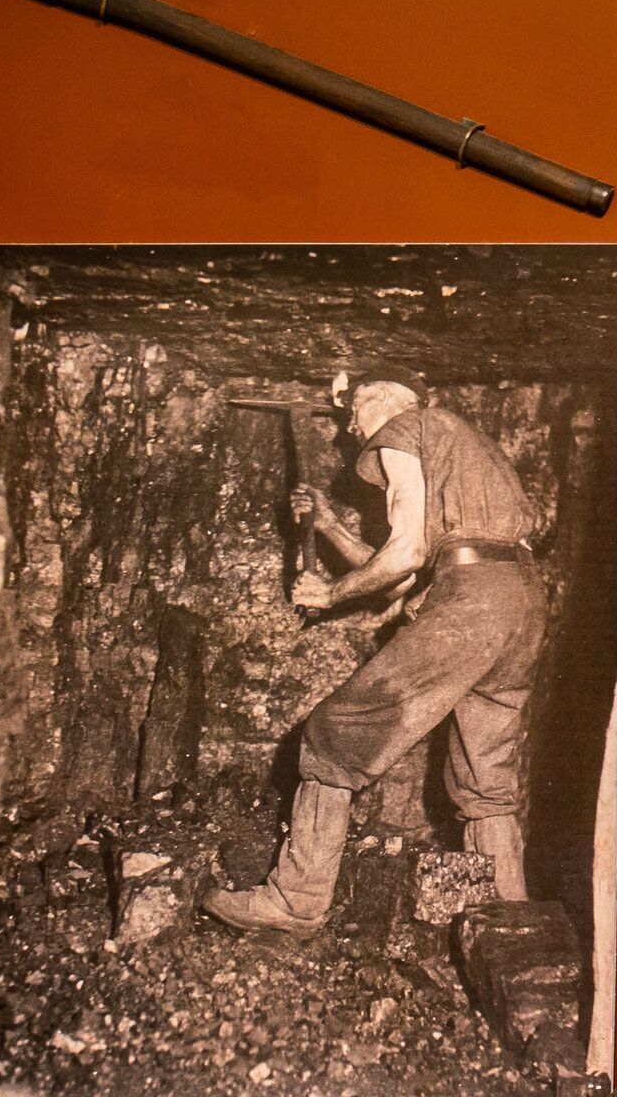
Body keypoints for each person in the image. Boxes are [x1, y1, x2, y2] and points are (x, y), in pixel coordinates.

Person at [205, 374, 552, 931]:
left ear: (385, 398)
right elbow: (406, 577)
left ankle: (294, 901)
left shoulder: (404, 426)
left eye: (354, 408)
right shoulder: (469, 447)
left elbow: (406, 552)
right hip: (519, 598)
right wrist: (328, 524)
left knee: (334, 734)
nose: (350, 426)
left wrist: (329, 592)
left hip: (473, 600)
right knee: (486, 771)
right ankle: (512, 922)